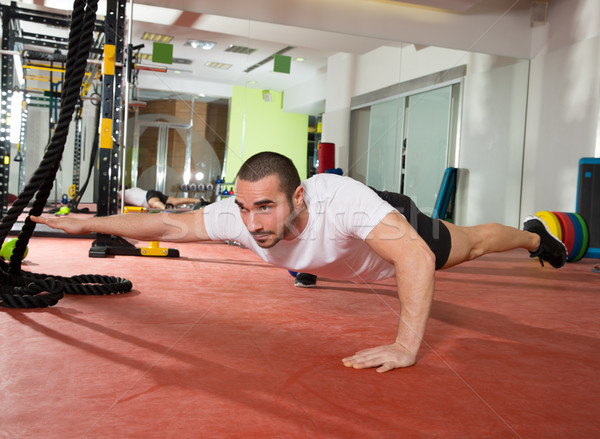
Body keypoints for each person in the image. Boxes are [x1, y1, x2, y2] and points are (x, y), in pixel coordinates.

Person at [32, 152, 567, 373]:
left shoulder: (339, 201)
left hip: (386, 232)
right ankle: (309, 262)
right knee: (272, 242)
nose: (251, 222)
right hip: (338, 252)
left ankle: (532, 236)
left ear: (300, 200)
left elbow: (416, 257)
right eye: (243, 207)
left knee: (467, 244)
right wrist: (91, 222)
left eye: (266, 206)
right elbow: (170, 225)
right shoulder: (239, 217)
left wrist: (407, 346)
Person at [121, 187, 202, 210]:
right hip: (151, 193)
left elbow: (115, 195)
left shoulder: (121, 193)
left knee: (154, 203)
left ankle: (164, 208)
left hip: (148, 196)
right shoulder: (132, 190)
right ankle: (199, 201)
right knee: (175, 201)